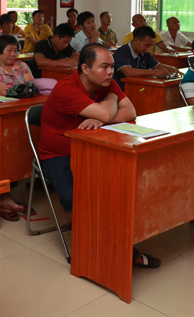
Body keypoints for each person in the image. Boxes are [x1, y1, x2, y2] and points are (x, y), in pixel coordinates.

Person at [39, 43, 160, 269]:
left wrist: (102, 117)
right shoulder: (67, 88)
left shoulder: (105, 81)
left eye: (112, 66)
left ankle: (112, 243)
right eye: (104, 67)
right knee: (75, 198)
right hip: (58, 153)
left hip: (93, 147)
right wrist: (111, 101)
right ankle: (99, 247)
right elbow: (108, 111)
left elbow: (131, 112)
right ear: (85, 69)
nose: (110, 72)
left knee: (111, 191)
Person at [113, 26, 179, 90]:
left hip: (138, 89)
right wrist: (154, 72)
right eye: (146, 45)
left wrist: (171, 68)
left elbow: (158, 66)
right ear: (136, 40)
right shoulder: (122, 52)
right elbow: (128, 72)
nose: (148, 49)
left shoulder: (145, 53)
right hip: (121, 91)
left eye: (150, 46)